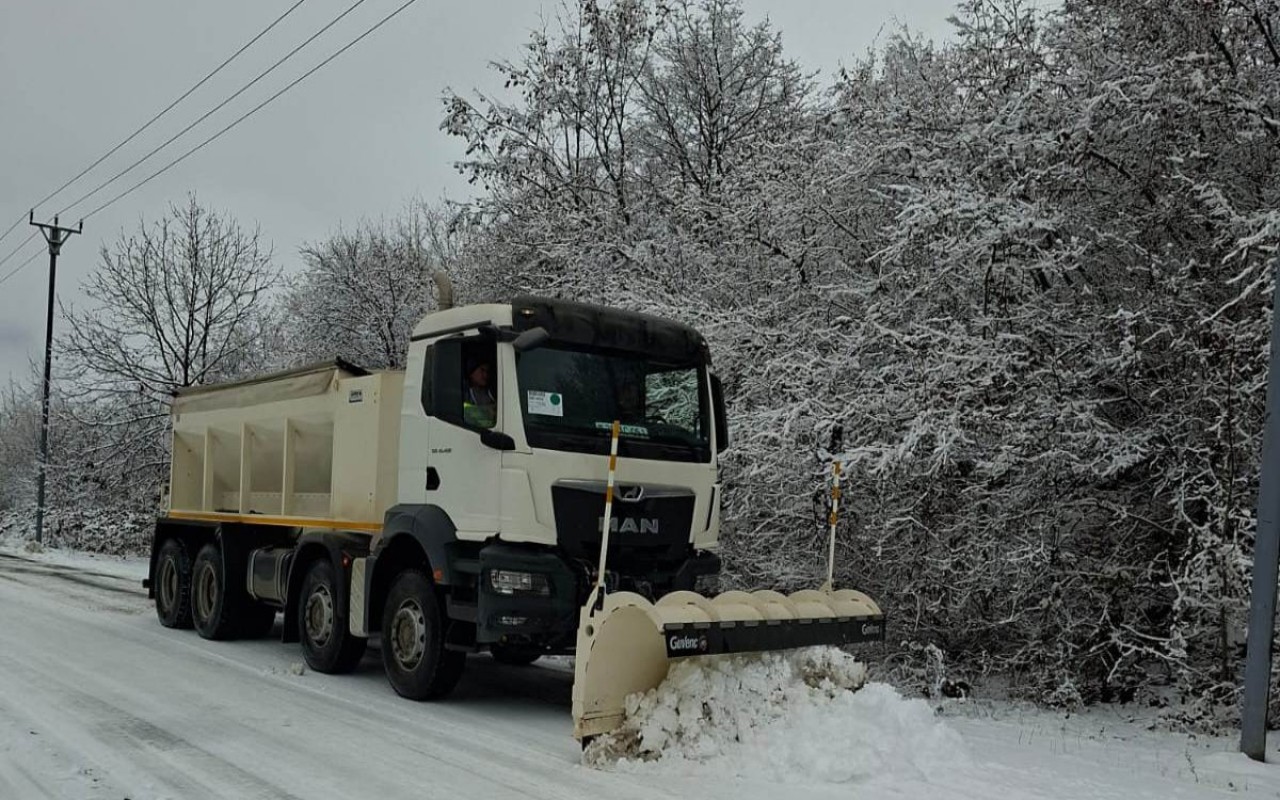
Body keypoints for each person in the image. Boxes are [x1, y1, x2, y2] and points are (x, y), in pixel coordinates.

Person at [463, 357, 496, 428]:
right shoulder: (463, 394)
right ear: (471, 372)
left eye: (487, 371)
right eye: (482, 370)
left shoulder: (492, 393)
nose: (485, 375)